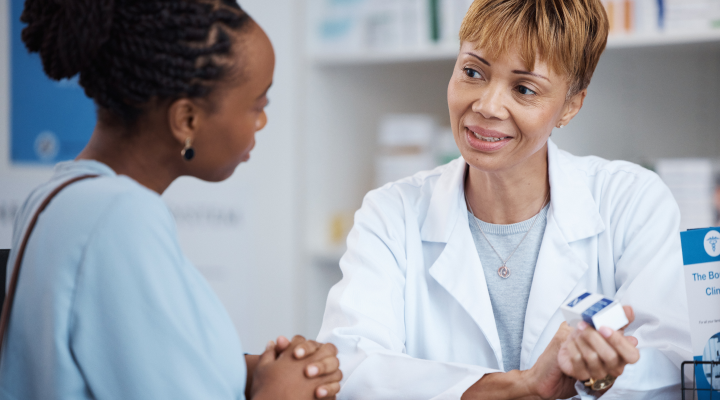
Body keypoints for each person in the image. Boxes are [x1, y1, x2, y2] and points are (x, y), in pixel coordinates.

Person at [317, 0, 692, 399]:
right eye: (473, 72)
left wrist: (598, 373)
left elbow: (669, 366)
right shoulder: (392, 213)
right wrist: (523, 389)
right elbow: (351, 370)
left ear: (571, 105)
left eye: (525, 88)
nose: (487, 106)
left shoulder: (629, 201)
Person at [0, 1, 341, 399]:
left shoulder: (58, 197)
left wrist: (252, 371)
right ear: (187, 120)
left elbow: (124, 364)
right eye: (257, 105)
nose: (262, 122)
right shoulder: (120, 218)